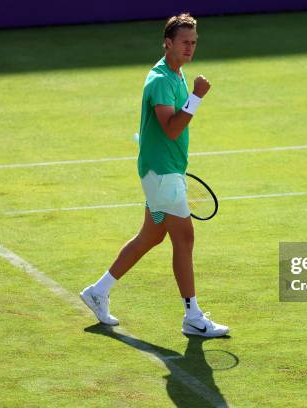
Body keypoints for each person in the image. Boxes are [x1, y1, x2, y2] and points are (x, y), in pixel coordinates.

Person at [80, 13, 229, 338]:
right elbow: (172, 129)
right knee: (185, 238)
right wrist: (197, 97)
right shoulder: (162, 79)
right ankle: (192, 316)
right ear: (168, 42)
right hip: (161, 173)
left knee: (151, 236)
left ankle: (98, 291)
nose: (190, 48)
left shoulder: (175, 75)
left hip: (164, 170)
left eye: (194, 42)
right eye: (185, 42)